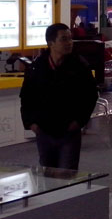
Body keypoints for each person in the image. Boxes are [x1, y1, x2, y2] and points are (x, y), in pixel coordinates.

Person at [20, 23, 97, 170]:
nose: (69, 43)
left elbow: (90, 95)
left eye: (70, 38)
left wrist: (79, 121)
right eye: (64, 39)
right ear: (51, 43)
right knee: (47, 173)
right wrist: (31, 123)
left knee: (67, 173)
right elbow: (26, 97)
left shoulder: (79, 66)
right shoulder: (37, 67)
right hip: (44, 130)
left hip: (69, 130)